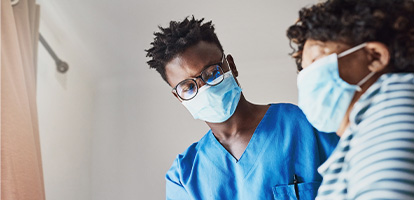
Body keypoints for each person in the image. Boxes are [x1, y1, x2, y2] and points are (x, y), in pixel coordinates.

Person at [146, 16, 339, 200]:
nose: (205, 89)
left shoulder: (304, 125)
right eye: (188, 87)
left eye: (212, 73)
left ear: (231, 65)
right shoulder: (183, 177)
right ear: (178, 96)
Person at [287, 0, 414, 199]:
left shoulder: (396, 103)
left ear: (375, 57)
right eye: (303, 70)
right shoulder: (362, 131)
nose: (306, 78)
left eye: (315, 62)